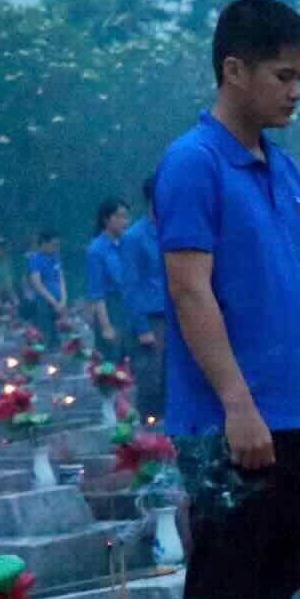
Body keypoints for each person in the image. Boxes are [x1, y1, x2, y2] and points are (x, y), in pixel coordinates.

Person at [155, 0, 300, 599]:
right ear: (233, 70)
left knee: (274, 594)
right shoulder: (193, 163)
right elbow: (188, 287)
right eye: (282, 74)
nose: (296, 90)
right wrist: (237, 402)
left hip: (297, 412)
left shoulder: (287, 170)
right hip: (229, 419)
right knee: (223, 597)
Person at [119, 178, 168, 422]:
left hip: (175, 314)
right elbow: (130, 286)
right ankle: (150, 441)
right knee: (151, 379)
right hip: (150, 318)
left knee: (174, 378)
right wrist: (142, 328)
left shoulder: (173, 230)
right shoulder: (134, 237)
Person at [87, 199, 130, 361]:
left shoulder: (129, 243)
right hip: (111, 307)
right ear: (106, 220)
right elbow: (97, 292)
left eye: (127, 217)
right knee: (112, 361)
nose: (125, 222)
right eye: (120, 217)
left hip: (130, 305)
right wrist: (106, 326)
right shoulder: (96, 249)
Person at [25, 231, 67, 337]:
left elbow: (61, 279)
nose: (56, 247)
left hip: (59, 302)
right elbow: (37, 285)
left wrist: (63, 299)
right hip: (44, 303)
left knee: (61, 333)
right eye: (53, 245)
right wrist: (54, 302)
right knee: (46, 332)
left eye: (57, 245)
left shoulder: (56, 257)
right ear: (44, 243)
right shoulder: (35, 259)